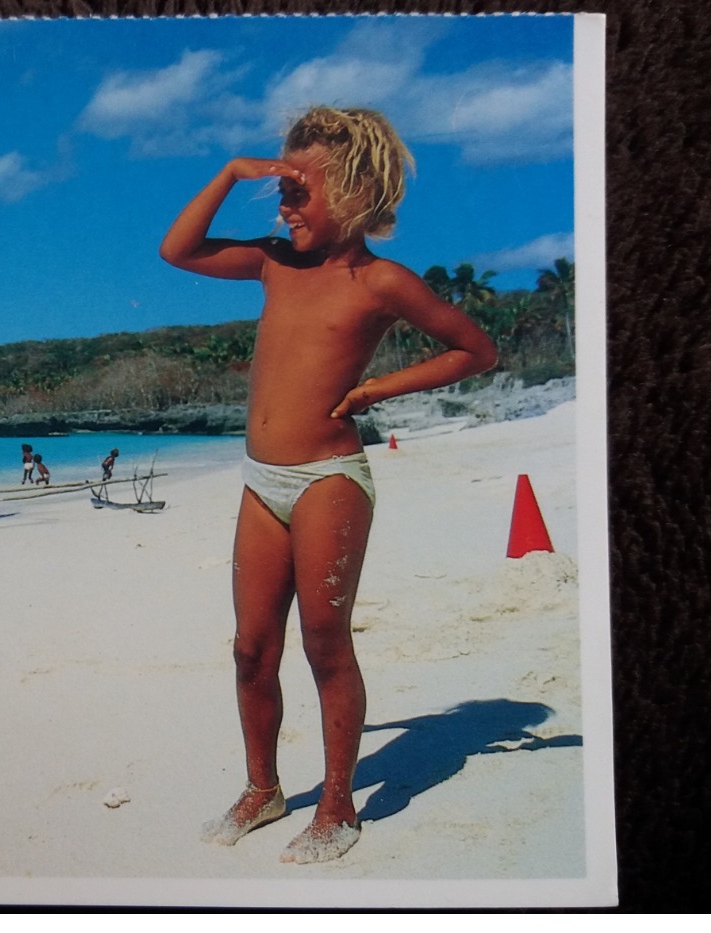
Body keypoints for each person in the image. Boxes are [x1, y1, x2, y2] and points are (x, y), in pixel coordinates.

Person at [160, 106, 496, 864]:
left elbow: (474, 350)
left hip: (327, 478)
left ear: (356, 191)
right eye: (280, 190)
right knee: (250, 647)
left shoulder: (382, 281)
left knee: (322, 641)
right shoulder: (272, 260)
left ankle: (338, 805)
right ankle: (262, 787)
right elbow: (176, 249)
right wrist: (227, 174)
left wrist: (377, 391)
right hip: (260, 480)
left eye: (300, 190)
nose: (284, 206)